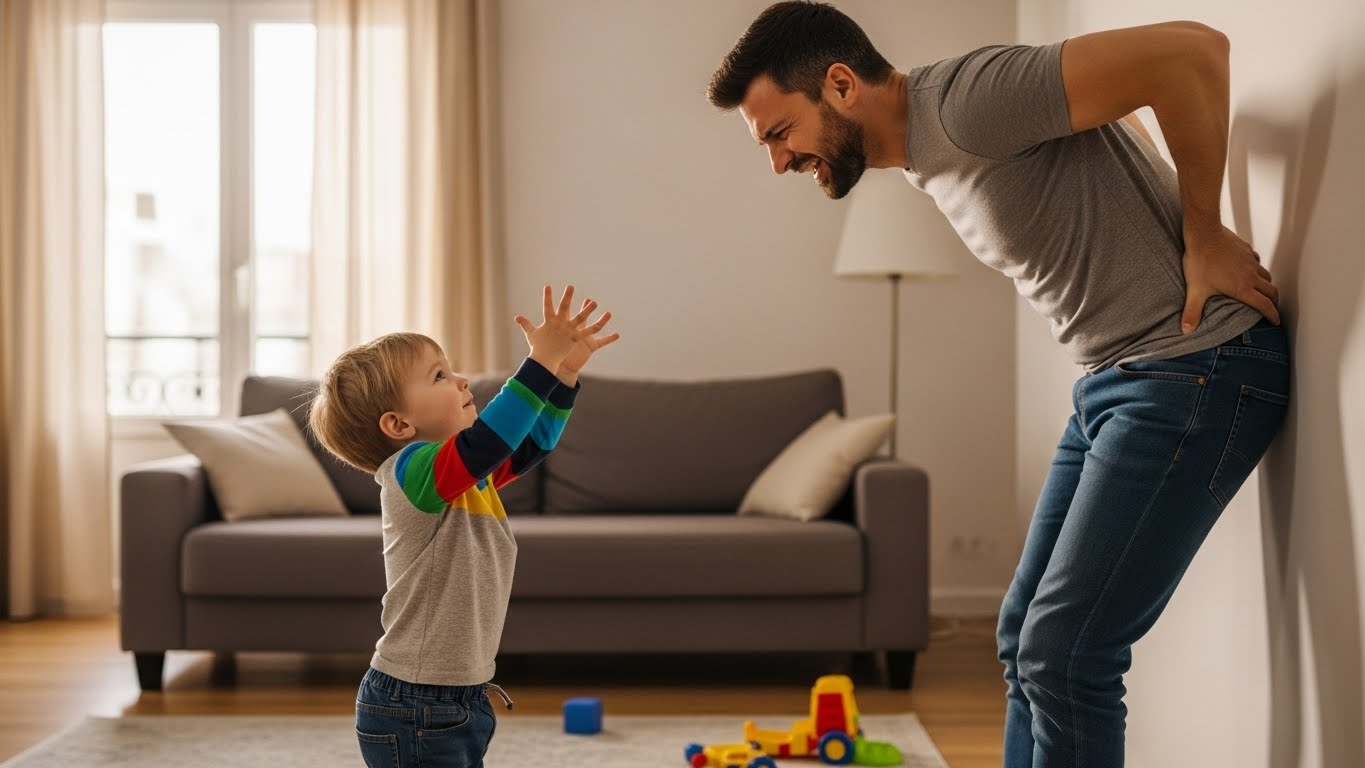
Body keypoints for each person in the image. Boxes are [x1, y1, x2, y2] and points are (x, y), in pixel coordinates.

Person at [707, 3, 1290, 766]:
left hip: (1192, 371)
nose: (780, 162)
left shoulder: (966, 101)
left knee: (1066, 654)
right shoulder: (926, 152)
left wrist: (1203, 233)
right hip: (1114, 383)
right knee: (1022, 637)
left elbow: (1191, 55)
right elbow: (1123, 128)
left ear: (841, 85)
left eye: (780, 134)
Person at [308, 285, 619, 768]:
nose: (462, 379)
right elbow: (488, 443)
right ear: (398, 425)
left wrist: (562, 374)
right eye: (439, 375)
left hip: (456, 695)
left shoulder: (462, 479)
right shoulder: (413, 472)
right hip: (414, 702)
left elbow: (528, 444)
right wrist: (538, 363)